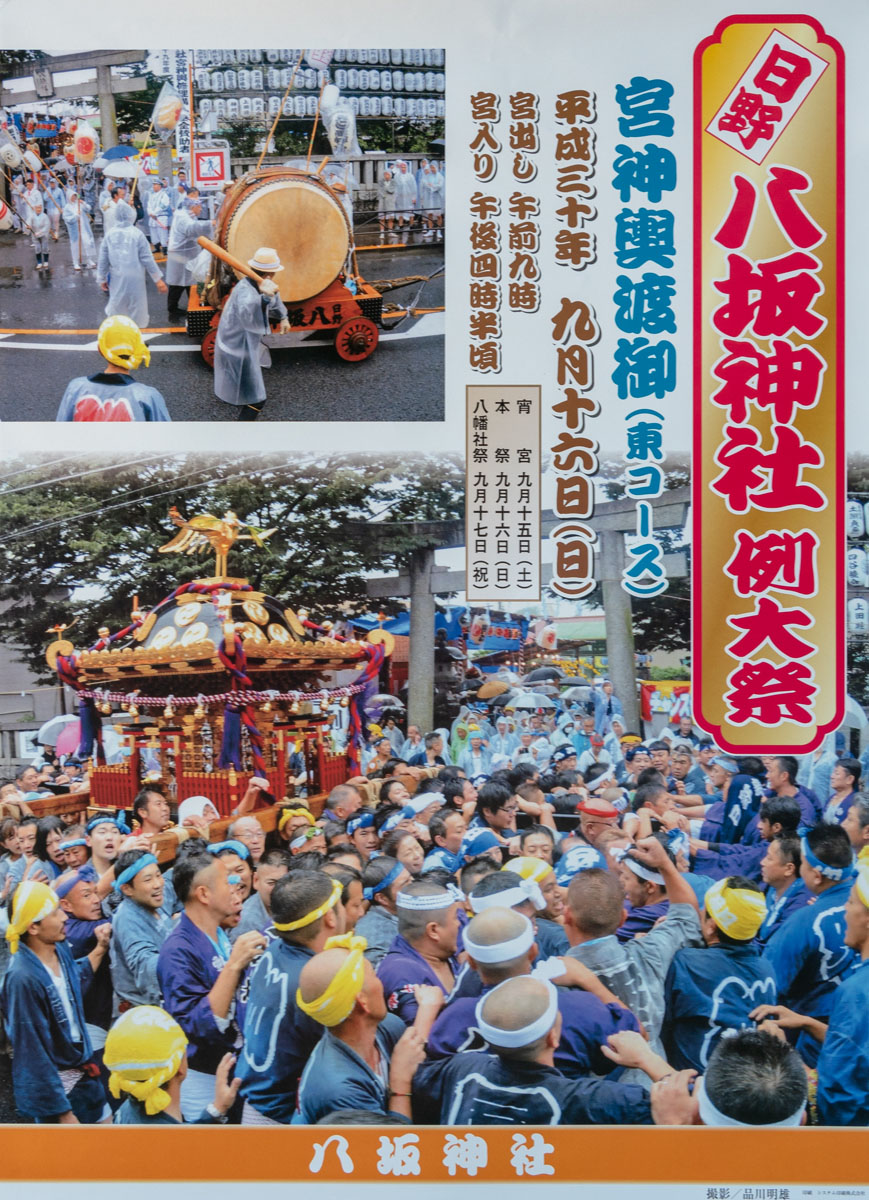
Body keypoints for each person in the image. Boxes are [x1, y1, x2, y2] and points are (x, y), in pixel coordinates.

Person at [412, 975, 694, 1125]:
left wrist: (425, 1012)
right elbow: (694, 1107)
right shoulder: (591, 1100)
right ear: (553, 1037)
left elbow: (415, 1072)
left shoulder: (460, 1068)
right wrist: (647, 1058)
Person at [752, 865, 869, 1126]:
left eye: (850, 903)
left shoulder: (856, 993)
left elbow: (839, 1101)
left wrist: (783, 1051)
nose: (845, 911)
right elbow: (861, 1052)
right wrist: (808, 1023)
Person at [156, 852, 267, 1120]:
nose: (235, 886)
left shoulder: (218, 933)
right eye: (226, 881)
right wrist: (234, 966)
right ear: (204, 894)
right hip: (202, 1076)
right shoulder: (177, 950)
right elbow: (195, 1024)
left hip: (232, 1065)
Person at [236, 872, 346, 1124]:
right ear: (330, 917)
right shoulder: (313, 980)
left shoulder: (275, 949)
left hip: (256, 1101)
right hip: (280, 1118)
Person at [296, 936, 442, 1122]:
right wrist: (400, 1084)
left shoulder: (385, 1026)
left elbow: (413, 1058)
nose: (380, 982)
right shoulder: (338, 1089)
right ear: (362, 1002)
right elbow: (387, 1146)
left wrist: (427, 1010)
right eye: (374, 974)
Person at [1, 881, 111, 1123]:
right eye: (54, 912)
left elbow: (75, 978)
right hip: (59, 1092)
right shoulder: (22, 978)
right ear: (33, 927)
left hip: (85, 1077)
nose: (64, 917)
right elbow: (32, 1052)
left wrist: (101, 948)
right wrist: (63, 1113)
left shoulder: (58, 950)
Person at [763, 823, 858, 1068]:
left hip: (811, 1043)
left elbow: (770, 983)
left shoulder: (803, 922)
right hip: (855, 1032)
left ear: (816, 875)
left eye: (803, 863)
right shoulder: (863, 902)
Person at [662, 875, 776, 1072]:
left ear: (711, 925)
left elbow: (661, 1023)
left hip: (693, 1086)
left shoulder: (687, 962)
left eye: (703, 909)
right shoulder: (767, 969)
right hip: (745, 1083)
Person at [106, 1007, 240, 1125]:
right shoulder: (172, 1142)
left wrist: (216, 1110)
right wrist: (220, 1107)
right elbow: (184, 1144)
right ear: (180, 1068)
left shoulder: (125, 1113)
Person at [213, 247, 290, 420]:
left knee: (241, 379)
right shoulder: (244, 289)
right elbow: (248, 313)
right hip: (236, 343)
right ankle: (242, 429)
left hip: (247, 342)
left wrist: (283, 317)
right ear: (269, 275)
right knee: (257, 396)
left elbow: (274, 299)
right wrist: (264, 298)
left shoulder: (263, 285)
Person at [376, 879, 463, 1023]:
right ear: (433, 930)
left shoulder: (445, 951)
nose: (459, 923)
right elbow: (419, 1040)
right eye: (455, 918)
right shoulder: (400, 973)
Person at [56, 316, 171, 423]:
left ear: (101, 350)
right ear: (137, 349)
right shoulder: (147, 396)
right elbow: (165, 439)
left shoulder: (76, 388)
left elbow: (61, 433)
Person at [110, 849, 173, 1008]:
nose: (158, 884)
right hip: (143, 1014)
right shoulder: (127, 918)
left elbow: (175, 878)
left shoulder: (156, 899)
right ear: (127, 889)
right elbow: (146, 967)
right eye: (148, 879)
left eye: (158, 875)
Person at [97, 202, 168, 330]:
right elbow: (147, 258)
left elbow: (103, 259)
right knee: (136, 309)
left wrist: (101, 278)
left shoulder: (109, 234)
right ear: (130, 215)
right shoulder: (137, 234)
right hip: (135, 277)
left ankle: (119, 337)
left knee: (117, 307)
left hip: (117, 277)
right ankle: (135, 339)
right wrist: (157, 279)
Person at [355, 856, 412, 967]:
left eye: (411, 879)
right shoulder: (374, 940)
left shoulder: (408, 911)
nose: (413, 886)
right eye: (405, 884)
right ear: (382, 898)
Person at [165, 190, 213, 317]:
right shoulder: (183, 217)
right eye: (199, 206)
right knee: (178, 283)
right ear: (193, 206)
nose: (201, 208)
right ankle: (173, 308)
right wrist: (210, 224)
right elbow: (192, 229)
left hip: (186, 253)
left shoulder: (187, 215)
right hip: (180, 254)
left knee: (189, 281)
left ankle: (194, 307)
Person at [230, 848, 289, 942]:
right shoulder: (246, 921)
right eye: (272, 883)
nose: (278, 889)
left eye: (284, 882)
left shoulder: (296, 904)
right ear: (256, 880)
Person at [61, 190, 97, 270]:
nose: (74, 197)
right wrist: (75, 216)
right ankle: (75, 263)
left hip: (84, 227)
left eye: (75, 195)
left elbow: (88, 208)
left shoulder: (79, 204)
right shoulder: (67, 207)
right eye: (72, 196)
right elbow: (66, 218)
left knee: (87, 243)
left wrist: (83, 203)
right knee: (75, 246)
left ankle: (89, 259)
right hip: (75, 230)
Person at [146, 178, 172, 253]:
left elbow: (163, 205)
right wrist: (150, 212)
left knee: (163, 233)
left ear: (160, 186)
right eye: (153, 185)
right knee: (154, 233)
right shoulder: (151, 195)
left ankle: (164, 248)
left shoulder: (164, 195)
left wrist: (155, 213)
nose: (153, 186)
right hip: (152, 218)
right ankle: (157, 247)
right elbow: (149, 205)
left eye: (155, 185)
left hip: (161, 217)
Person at [29, 195, 51, 271]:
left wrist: (40, 232)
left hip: (43, 235)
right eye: (37, 208)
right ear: (35, 208)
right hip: (35, 234)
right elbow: (29, 222)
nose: (38, 209)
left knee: (45, 247)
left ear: (41, 208)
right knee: (37, 248)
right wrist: (28, 226)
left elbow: (47, 226)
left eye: (40, 208)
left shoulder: (45, 216)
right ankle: (39, 263)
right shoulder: (32, 216)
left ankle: (46, 261)